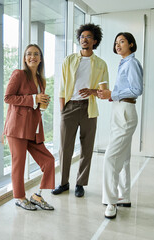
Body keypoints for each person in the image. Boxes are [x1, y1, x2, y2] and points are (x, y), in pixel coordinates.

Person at [52, 23, 109, 198]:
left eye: (88, 37)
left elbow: (105, 92)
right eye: (82, 37)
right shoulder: (69, 60)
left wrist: (92, 91)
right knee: (65, 148)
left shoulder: (101, 64)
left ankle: (80, 184)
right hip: (69, 107)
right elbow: (61, 87)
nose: (84, 39)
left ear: (95, 41)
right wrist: (62, 110)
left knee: (87, 147)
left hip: (89, 109)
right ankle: (63, 183)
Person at [4, 44, 55, 211]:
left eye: (36, 54)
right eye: (29, 54)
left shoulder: (41, 80)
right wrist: (33, 98)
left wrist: (41, 103)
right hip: (17, 127)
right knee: (18, 163)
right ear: (25, 58)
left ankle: (37, 196)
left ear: (40, 59)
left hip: (33, 128)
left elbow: (37, 104)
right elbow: (8, 97)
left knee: (48, 160)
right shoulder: (19, 74)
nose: (32, 56)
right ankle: (19, 197)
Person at [97, 32, 143, 219]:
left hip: (125, 111)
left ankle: (111, 202)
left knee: (110, 157)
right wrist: (110, 94)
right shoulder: (124, 62)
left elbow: (137, 89)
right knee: (123, 158)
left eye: (122, 41)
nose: (118, 45)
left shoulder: (131, 63)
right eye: (116, 42)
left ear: (131, 44)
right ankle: (125, 196)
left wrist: (113, 93)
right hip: (120, 109)